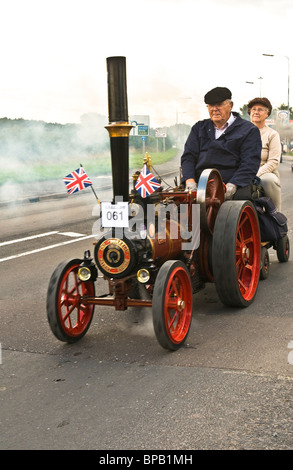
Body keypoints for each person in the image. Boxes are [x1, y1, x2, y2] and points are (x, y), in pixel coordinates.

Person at [181, 87, 262, 200]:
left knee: (238, 202)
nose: (214, 109)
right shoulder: (199, 128)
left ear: (231, 105)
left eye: (219, 104)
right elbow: (188, 157)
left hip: (232, 182)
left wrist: (233, 184)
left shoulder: (249, 130)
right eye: (210, 105)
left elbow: (250, 163)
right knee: (180, 205)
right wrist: (190, 181)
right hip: (200, 183)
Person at [247, 97, 282, 210]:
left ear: (267, 114)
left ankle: (276, 218)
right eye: (254, 109)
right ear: (249, 112)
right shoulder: (241, 132)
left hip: (263, 172)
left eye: (260, 109)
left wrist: (255, 174)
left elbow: (273, 162)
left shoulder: (272, 134)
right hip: (242, 171)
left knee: (269, 181)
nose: (256, 112)